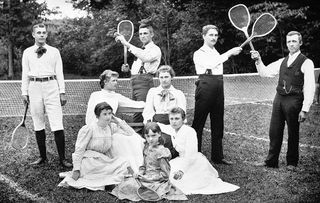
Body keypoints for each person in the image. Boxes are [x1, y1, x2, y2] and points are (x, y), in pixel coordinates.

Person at [251, 31, 315, 170]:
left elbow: (309, 86)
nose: (291, 44)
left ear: (300, 43)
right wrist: (258, 60)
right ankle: (271, 161)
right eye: (289, 42)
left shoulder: (306, 62)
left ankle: (292, 162)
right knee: (274, 131)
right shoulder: (282, 61)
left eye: (294, 41)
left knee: (293, 131)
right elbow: (265, 73)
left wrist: (305, 109)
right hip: (279, 99)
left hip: (294, 100)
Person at [21, 23, 72, 167]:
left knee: (57, 122)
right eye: (39, 32)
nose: (42, 34)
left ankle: (62, 159)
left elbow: (60, 73)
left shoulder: (54, 51)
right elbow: (25, 73)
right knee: (38, 122)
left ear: (47, 35)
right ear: (33, 34)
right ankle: (42, 157)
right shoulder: (27, 52)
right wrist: (24, 92)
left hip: (51, 87)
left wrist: (62, 91)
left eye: (44, 32)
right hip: (34, 87)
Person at [158, 107, 239, 195]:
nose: (174, 121)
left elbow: (191, 155)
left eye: (177, 118)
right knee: (164, 176)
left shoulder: (189, 132)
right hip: (180, 159)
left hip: (192, 162)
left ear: (183, 120)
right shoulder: (172, 129)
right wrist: (150, 122)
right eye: (171, 119)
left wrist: (182, 170)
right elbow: (162, 127)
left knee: (178, 182)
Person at [192, 24, 242, 165]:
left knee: (218, 122)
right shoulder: (199, 53)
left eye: (215, 35)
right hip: (205, 85)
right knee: (199, 123)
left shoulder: (215, 52)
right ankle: (195, 155)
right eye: (211, 35)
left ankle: (217, 157)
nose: (214, 38)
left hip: (219, 86)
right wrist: (230, 52)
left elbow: (217, 63)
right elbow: (211, 64)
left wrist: (227, 54)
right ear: (203, 36)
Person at [59, 102, 136, 191]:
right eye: (105, 114)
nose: (108, 117)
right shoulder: (89, 128)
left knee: (124, 162)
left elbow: (130, 133)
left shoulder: (111, 127)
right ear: (97, 116)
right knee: (98, 169)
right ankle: (105, 179)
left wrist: (118, 121)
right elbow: (79, 150)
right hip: (90, 161)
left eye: (110, 114)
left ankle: (108, 179)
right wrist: (76, 169)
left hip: (103, 159)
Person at [85, 69, 145, 172]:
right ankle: (123, 168)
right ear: (105, 82)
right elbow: (89, 116)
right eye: (113, 80)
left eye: (117, 80)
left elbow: (135, 104)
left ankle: (137, 169)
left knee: (134, 138)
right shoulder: (95, 95)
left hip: (112, 127)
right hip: (97, 130)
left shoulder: (116, 96)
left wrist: (152, 103)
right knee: (119, 141)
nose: (116, 83)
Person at [111, 122, 187, 201]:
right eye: (148, 136)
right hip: (145, 177)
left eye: (153, 135)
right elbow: (144, 165)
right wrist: (140, 173)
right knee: (127, 184)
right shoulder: (147, 148)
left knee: (138, 187)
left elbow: (165, 174)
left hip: (157, 181)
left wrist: (148, 178)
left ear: (159, 134)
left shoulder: (161, 152)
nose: (150, 139)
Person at [115, 22, 161, 131]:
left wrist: (126, 43)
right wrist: (128, 71)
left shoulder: (155, 49)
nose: (143, 36)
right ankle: (138, 139)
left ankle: (143, 139)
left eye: (145, 33)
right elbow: (137, 69)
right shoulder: (141, 50)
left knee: (142, 111)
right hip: (135, 81)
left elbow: (145, 58)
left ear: (152, 34)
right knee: (136, 110)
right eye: (140, 34)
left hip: (144, 82)